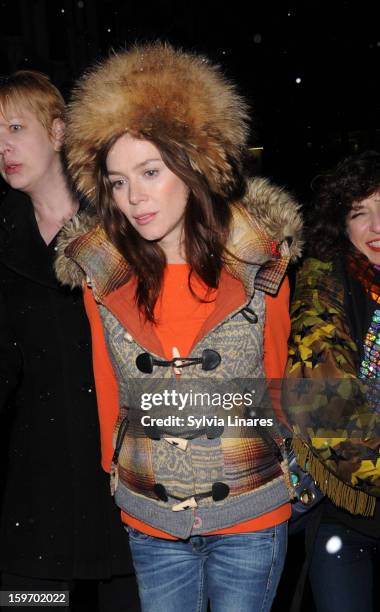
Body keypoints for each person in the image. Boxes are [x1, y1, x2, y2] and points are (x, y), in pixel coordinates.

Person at [56, 43, 302, 612]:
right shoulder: (103, 275)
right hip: (151, 522)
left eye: (150, 171)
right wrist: (118, 476)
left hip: (251, 514)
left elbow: (277, 385)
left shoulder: (262, 265)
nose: (134, 197)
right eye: (117, 182)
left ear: (193, 165)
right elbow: (110, 397)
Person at [0, 71, 134, 611]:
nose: (2, 147)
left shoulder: (120, 219)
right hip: (38, 478)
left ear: (57, 133)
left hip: (125, 468)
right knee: (28, 603)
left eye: (14, 127)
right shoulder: (4, 235)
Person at [286, 151, 380, 611]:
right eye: (360, 213)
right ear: (342, 224)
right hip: (344, 514)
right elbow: (323, 406)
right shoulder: (322, 285)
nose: (376, 228)